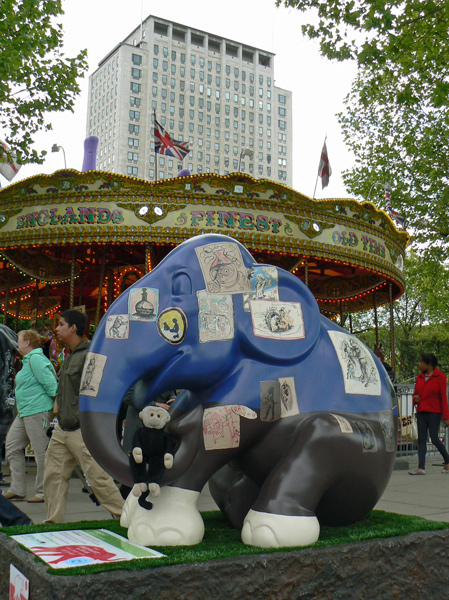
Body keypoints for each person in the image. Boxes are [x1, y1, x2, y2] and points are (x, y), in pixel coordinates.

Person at [43, 309, 124, 523]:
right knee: (53, 476)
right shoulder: (69, 356)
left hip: (81, 430)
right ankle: (53, 521)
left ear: (74, 328)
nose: (57, 329)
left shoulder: (89, 355)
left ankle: (125, 516)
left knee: (97, 478)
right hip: (62, 428)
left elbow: (97, 392)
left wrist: (89, 425)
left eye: (61, 324)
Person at [4, 329, 58, 503]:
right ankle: (17, 489)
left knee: (41, 452)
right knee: (12, 445)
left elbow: (51, 384)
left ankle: (43, 492)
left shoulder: (35, 359)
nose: (17, 344)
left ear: (27, 343)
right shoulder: (30, 360)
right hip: (27, 411)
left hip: (37, 410)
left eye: (19, 340)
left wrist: (53, 405)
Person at [409, 353, 449, 475]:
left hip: (434, 412)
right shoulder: (419, 377)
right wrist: (415, 399)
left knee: (435, 438)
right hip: (421, 411)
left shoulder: (440, 377)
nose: (420, 365)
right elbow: (415, 393)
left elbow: (443, 397)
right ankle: (421, 467)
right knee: (421, 439)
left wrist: (446, 417)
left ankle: (447, 461)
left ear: (429, 364)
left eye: (422, 362)